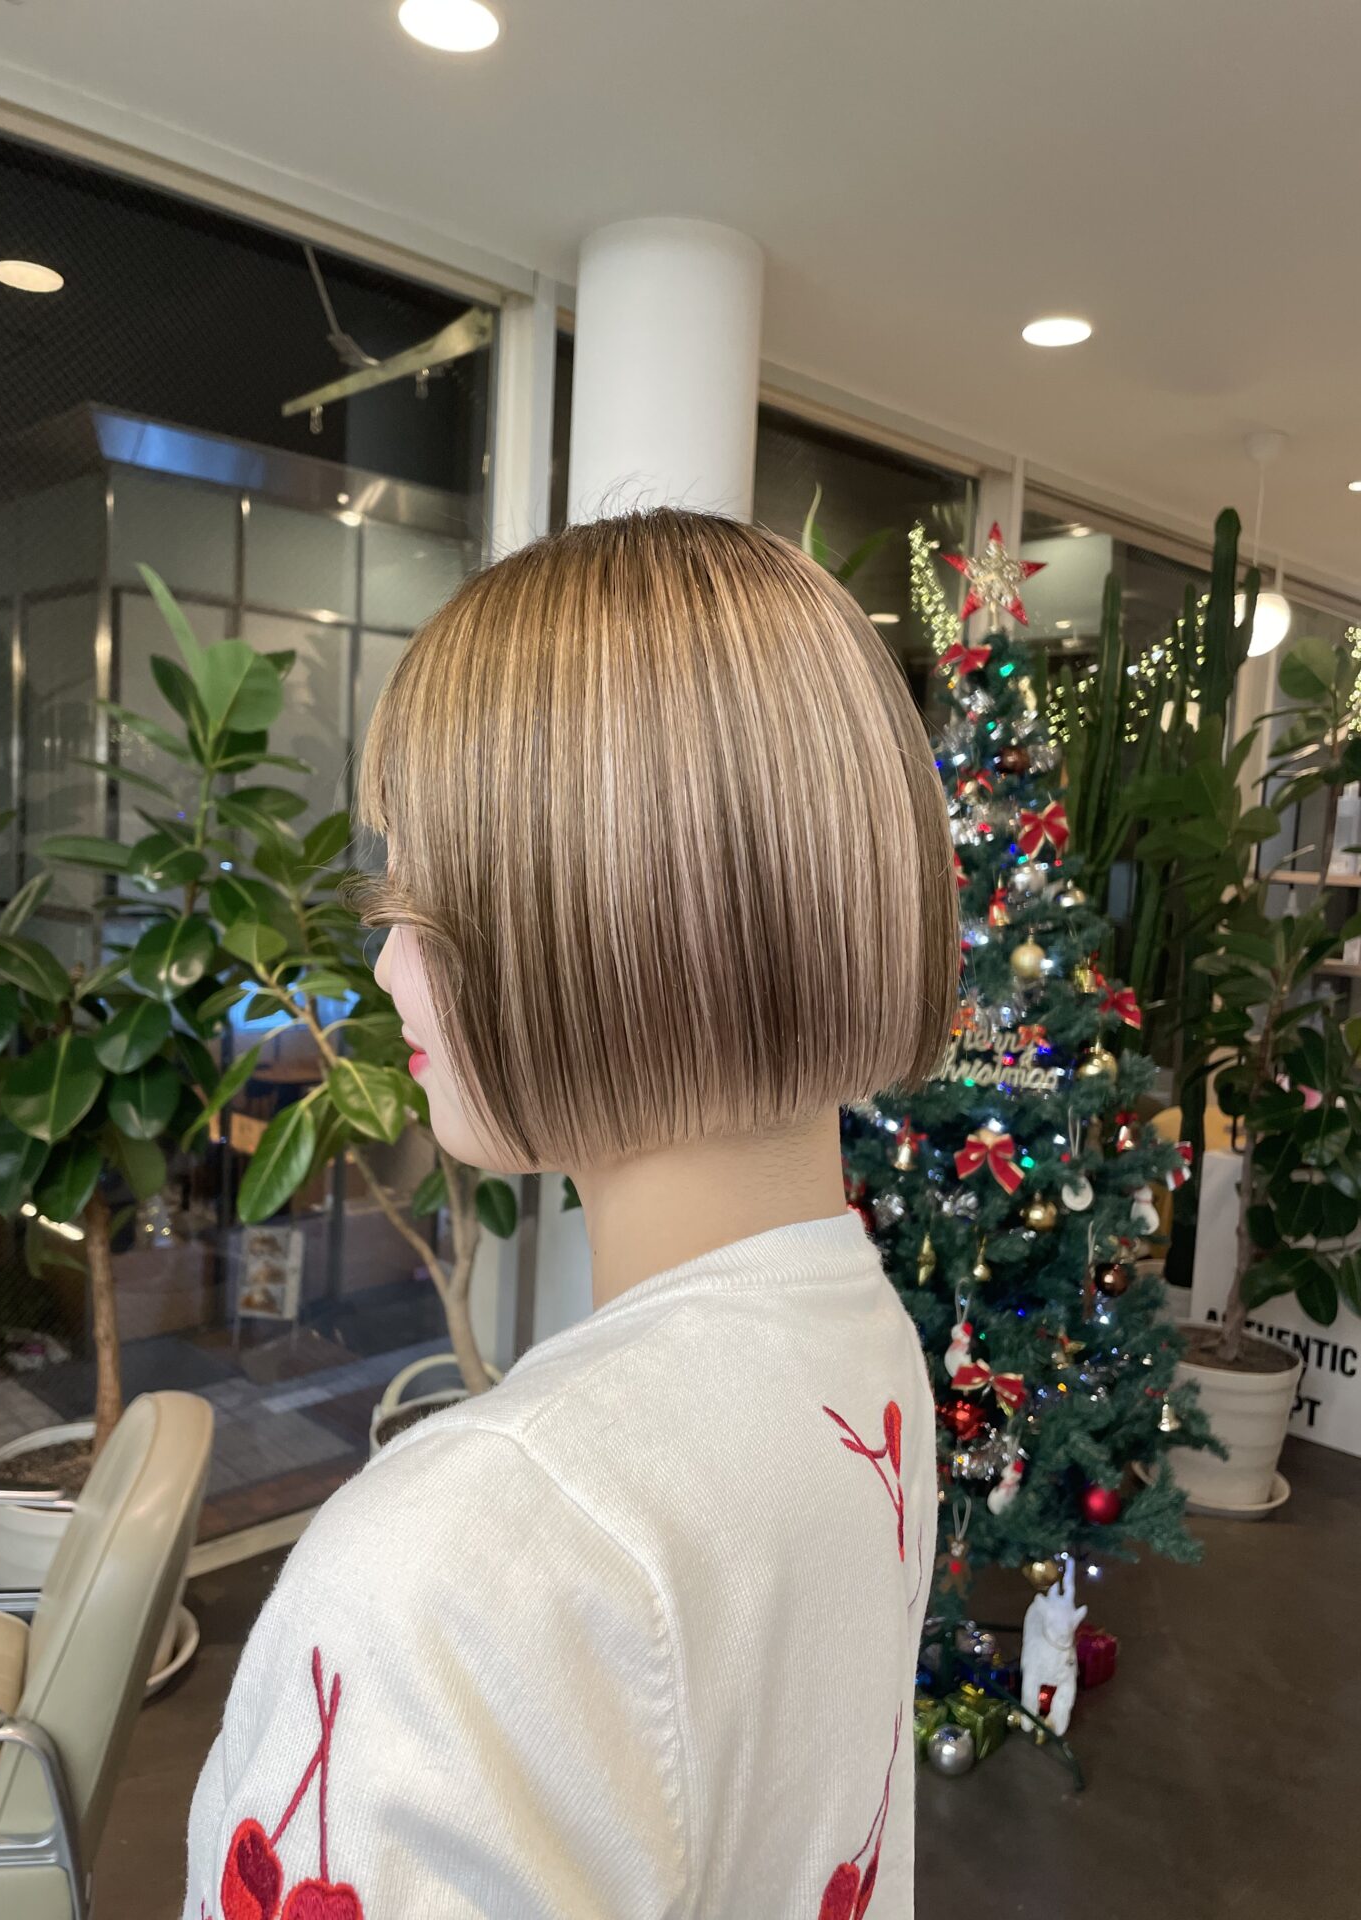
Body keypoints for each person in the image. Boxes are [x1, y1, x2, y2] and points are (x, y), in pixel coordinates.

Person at [183, 507, 955, 1920]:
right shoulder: (860, 1356)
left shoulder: (455, 1573)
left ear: (618, 904)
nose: (386, 962)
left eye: (422, 891)